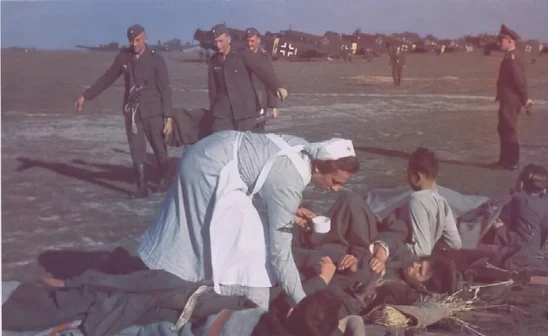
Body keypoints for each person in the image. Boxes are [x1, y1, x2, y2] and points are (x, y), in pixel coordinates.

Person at [136, 130, 359, 310]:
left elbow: (265, 174)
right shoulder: (290, 182)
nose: (335, 188)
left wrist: (289, 211)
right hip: (210, 168)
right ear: (319, 166)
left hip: (216, 145)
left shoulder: (304, 147)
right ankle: (207, 291)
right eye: (334, 181)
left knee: (235, 234)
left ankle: (212, 286)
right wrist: (302, 301)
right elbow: (280, 253)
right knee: (232, 240)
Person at [74, 24, 173, 199]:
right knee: (136, 149)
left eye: (138, 40)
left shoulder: (156, 59)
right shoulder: (123, 57)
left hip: (153, 112)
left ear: (145, 38)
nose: (134, 44)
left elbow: (165, 89)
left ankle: (166, 180)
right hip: (133, 113)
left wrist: (168, 117)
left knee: (159, 147)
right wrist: (86, 96)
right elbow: (108, 78)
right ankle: (141, 187)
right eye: (131, 41)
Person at [370, 147, 462, 271]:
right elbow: (455, 243)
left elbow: (423, 250)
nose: (408, 179)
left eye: (409, 174)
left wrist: (399, 246)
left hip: (409, 258)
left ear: (417, 177)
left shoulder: (417, 200)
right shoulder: (442, 202)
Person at [207, 24, 288, 133]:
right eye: (215, 42)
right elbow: (213, 89)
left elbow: (263, 71)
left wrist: (277, 87)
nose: (218, 45)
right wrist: (213, 110)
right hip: (223, 114)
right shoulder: (214, 60)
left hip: (245, 112)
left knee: (248, 144)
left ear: (229, 39)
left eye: (221, 41)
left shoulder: (243, 54)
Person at [495, 24, 534, 171]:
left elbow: (519, 81)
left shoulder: (512, 57)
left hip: (511, 100)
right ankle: (504, 160)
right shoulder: (509, 56)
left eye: (501, 40)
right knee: (503, 128)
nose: (499, 43)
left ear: (510, 41)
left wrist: (525, 99)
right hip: (507, 100)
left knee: (509, 129)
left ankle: (511, 162)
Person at [245, 27, 280, 132]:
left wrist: (274, 106)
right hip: (244, 102)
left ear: (259, 40)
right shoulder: (240, 57)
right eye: (248, 41)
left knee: (258, 131)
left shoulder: (264, 58)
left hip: (260, 102)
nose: (250, 44)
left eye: (252, 41)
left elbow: (270, 81)